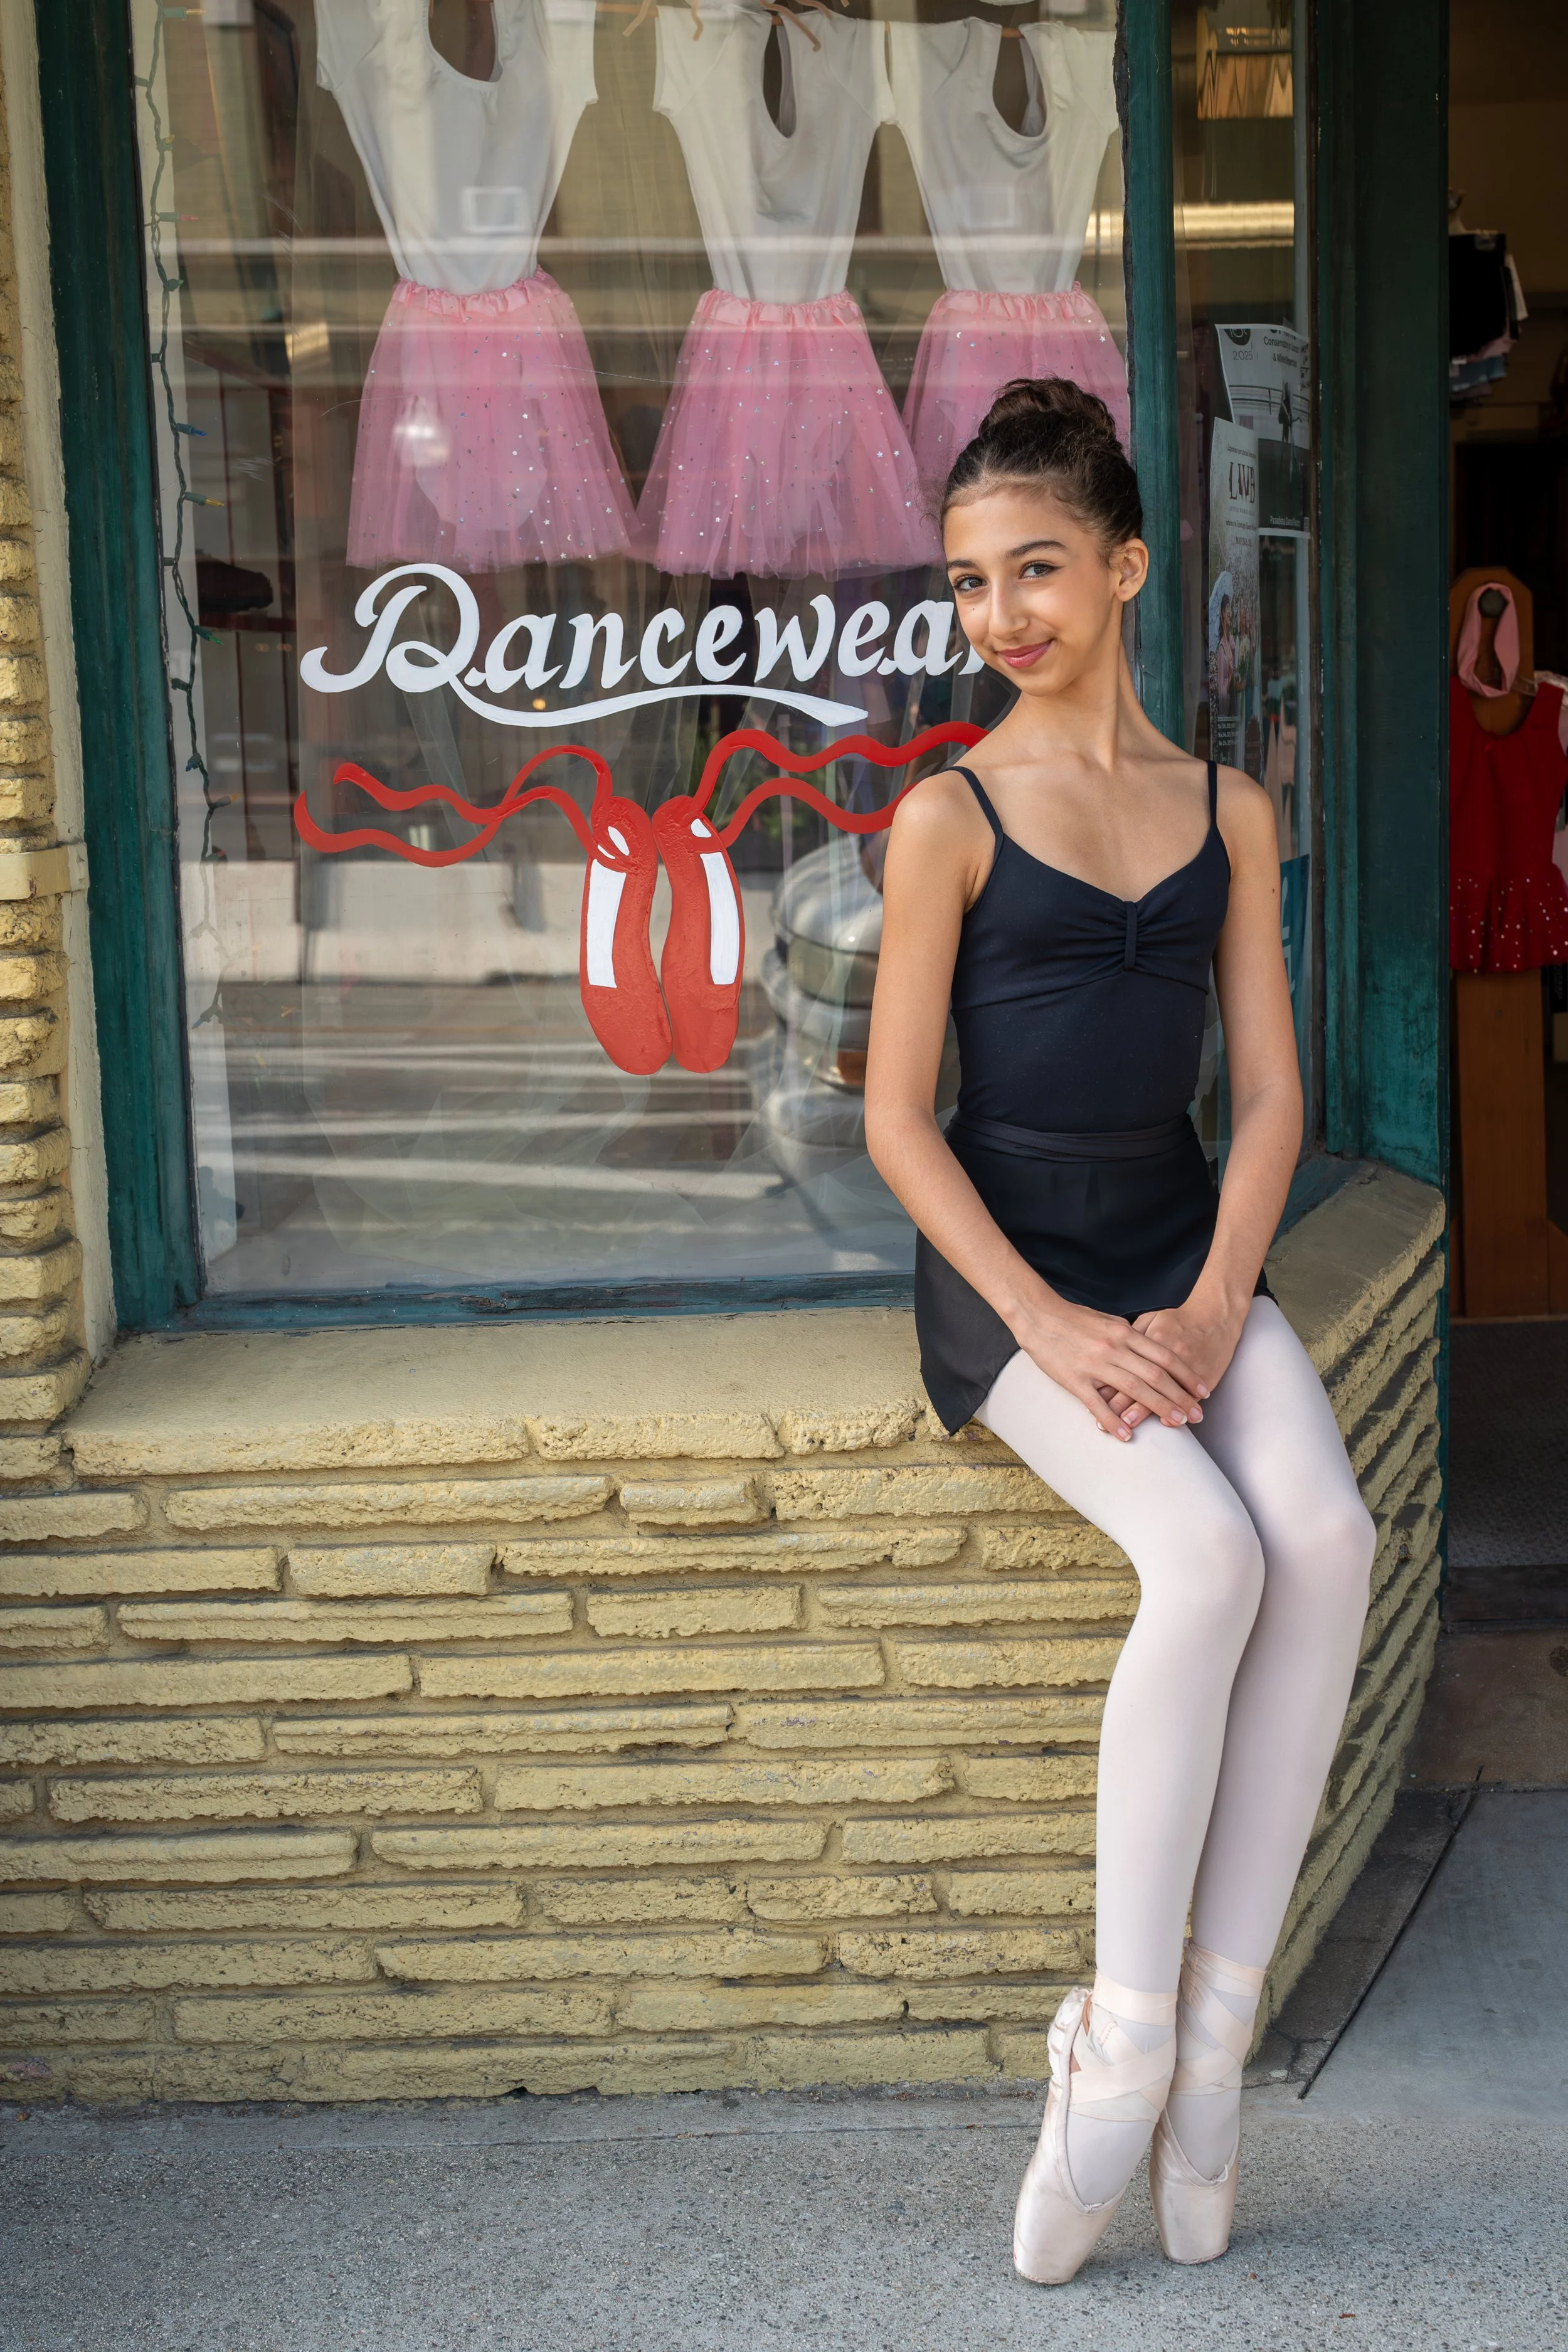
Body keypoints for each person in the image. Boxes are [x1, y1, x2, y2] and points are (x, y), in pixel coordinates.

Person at [864, 379, 1375, 2286]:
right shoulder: (950, 814)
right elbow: (895, 1122)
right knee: (1210, 1546)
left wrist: (1217, 1297)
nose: (1000, 612)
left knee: (1329, 1535)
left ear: (1127, 564)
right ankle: (1120, 2040)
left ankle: (1219, 2049)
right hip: (1014, 1278)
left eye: (1038, 569)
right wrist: (1062, 1331)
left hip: (1182, 1251)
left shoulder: (1225, 807)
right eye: (970, 580)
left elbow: (1266, 1101)